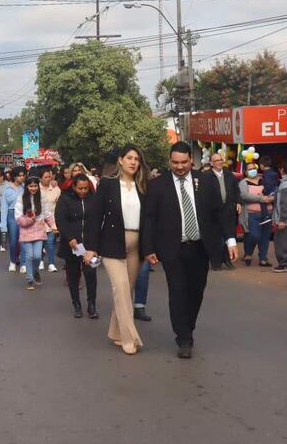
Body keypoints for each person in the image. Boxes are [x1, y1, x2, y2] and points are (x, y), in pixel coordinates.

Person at [142, 142, 238, 359]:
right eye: (175, 162)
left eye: (184, 162)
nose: (179, 166)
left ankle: (189, 326)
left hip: (200, 247)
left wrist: (230, 240)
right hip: (172, 249)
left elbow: (221, 213)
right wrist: (148, 248)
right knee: (177, 292)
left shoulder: (205, 181)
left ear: (191, 161)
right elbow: (149, 218)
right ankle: (183, 338)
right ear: (169, 161)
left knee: (196, 291)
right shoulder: (158, 185)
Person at [86, 145, 148, 355]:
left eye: (137, 159)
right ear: (120, 160)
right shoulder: (108, 184)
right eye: (129, 158)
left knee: (126, 291)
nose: (133, 162)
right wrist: (90, 248)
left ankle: (115, 332)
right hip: (112, 242)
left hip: (137, 243)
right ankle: (130, 338)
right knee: (120, 288)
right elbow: (94, 216)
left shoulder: (143, 185)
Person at [55, 173, 99, 319]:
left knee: (91, 273)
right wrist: (69, 237)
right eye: (80, 188)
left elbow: (98, 221)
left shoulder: (94, 199)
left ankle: (92, 305)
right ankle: (76, 304)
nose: (83, 191)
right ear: (73, 186)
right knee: (73, 275)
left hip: (90, 244)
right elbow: (60, 220)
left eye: (86, 188)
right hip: (72, 245)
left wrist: (94, 245)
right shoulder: (65, 198)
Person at [15, 177, 54, 290]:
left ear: (38, 186)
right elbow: (18, 218)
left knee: (37, 256)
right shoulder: (21, 199)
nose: (33, 188)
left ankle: (35, 270)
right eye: (31, 186)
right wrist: (30, 220)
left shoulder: (42, 197)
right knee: (29, 256)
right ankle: (30, 280)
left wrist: (53, 226)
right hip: (26, 231)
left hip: (39, 231)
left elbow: (47, 214)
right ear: (27, 187)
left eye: (35, 186)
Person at [205, 153, 241, 270]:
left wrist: (238, 202)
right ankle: (216, 262)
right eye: (216, 161)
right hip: (213, 213)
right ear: (211, 163)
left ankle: (228, 259)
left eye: (220, 160)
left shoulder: (229, 174)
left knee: (229, 236)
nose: (219, 162)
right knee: (216, 238)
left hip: (228, 210)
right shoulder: (206, 176)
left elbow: (236, 190)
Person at [239, 162, 274, 267]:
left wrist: (272, 197)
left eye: (254, 168)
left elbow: (273, 190)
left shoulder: (264, 180)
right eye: (249, 169)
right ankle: (248, 253)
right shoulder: (243, 183)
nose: (252, 170)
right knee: (254, 235)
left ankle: (263, 259)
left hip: (267, 213)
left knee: (265, 237)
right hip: (251, 214)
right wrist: (261, 198)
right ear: (245, 172)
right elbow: (244, 195)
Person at [0, 166, 26, 273]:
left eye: (24, 175)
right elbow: (4, 207)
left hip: (24, 215)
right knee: (13, 240)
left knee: (24, 240)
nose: (22, 177)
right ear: (14, 176)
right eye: (20, 175)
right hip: (12, 214)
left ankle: (24, 262)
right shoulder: (7, 188)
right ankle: (13, 261)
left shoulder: (26, 187)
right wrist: (3, 225)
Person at [39, 168, 61, 272]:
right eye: (45, 177)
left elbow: (60, 204)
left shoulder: (56, 189)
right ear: (41, 178)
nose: (48, 179)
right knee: (41, 242)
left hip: (52, 219)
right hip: (39, 220)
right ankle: (40, 261)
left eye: (49, 176)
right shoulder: (36, 188)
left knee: (51, 241)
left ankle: (51, 263)